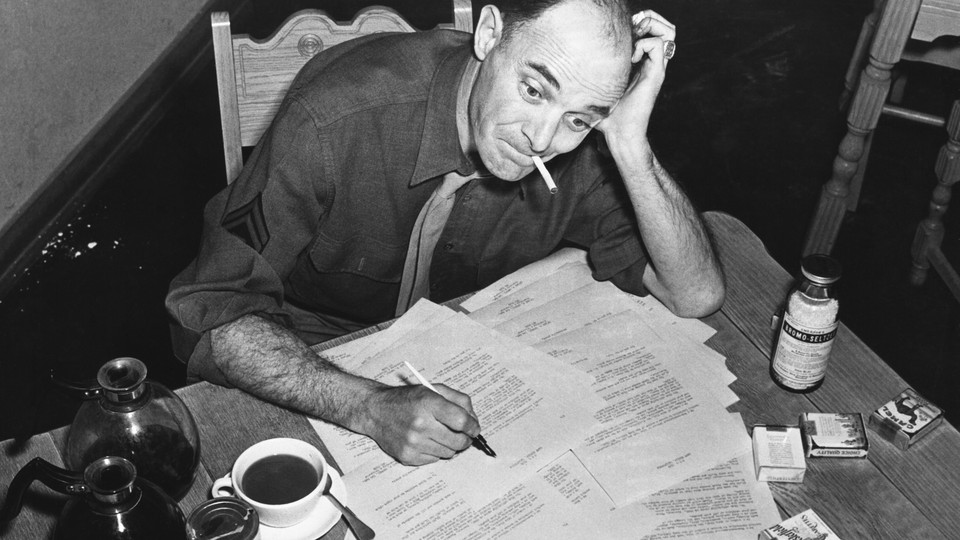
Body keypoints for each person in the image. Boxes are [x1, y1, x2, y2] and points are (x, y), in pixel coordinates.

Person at [166, 0, 724, 466]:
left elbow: (693, 293)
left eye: (579, 118)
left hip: (478, 356)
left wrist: (630, 144)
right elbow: (209, 313)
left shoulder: (583, 147)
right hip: (319, 357)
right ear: (488, 34)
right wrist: (366, 406)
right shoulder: (334, 120)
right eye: (534, 90)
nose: (542, 138)